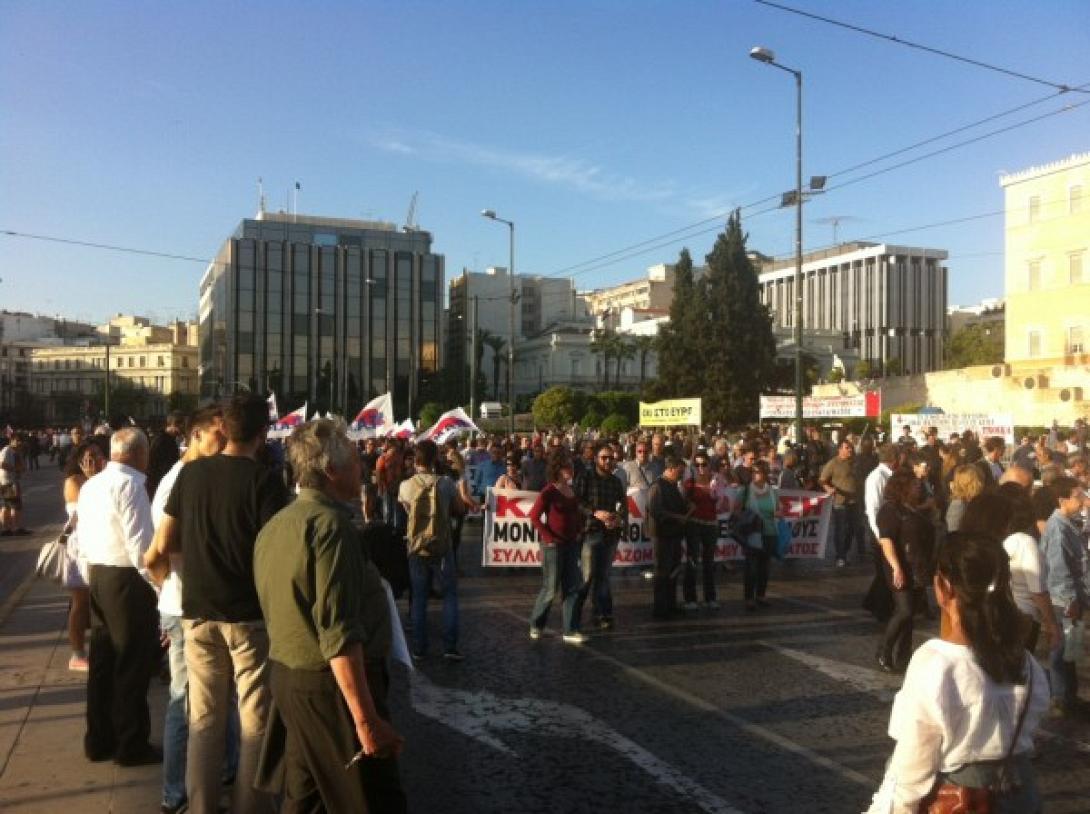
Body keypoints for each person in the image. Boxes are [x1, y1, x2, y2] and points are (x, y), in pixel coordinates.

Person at [254, 420, 406, 812]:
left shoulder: (276, 525)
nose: (363, 469)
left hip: (289, 678)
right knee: (372, 800)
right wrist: (366, 719)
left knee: (305, 800)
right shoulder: (331, 528)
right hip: (330, 689)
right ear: (331, 471)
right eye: (356, 462)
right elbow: (338, 633)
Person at [151, 393, 288, 814]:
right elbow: (276, 553)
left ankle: (201, 807)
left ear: (223, 429)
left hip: (197, 612)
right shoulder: (265, 482)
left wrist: (167, 593)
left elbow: (163, 544)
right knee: (254, 718)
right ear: (263, 435)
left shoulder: (190, 477)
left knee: (204, 720)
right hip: (248, 614)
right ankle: (251, 806)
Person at [865, 534, 1049, 814]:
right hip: (1022, 795)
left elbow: (912, 768)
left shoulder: (937, 663)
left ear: (944, 586)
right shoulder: (1026, 662)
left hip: (962, 800)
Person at [144, 406, 232, 814]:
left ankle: (224, 771)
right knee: (182, 702)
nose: (224, 441)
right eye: (217, 434)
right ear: (196, 436)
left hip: (195, 602)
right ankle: (174, 793)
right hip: (183, 605)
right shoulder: (178, 480)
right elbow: (160, 548)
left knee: (213, 698)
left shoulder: (201, 475)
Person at [76, 428, 160, 765]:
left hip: (99, 574)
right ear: (141, 454)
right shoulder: (132, 485)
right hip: (126, 581)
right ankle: (131, 743)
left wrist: (89, 578)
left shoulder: (91, 484)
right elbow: (140, 547)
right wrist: (158, 587)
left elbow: (81, 536)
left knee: (102, 663)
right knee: (131, 664)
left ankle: (98, 739)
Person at [399, 439, 465, 661]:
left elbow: (407, 510)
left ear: (415, 459)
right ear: (435, 458)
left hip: (417, 547)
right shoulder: (445, 483)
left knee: (419, 598)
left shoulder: (406, 486)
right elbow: (459, 509)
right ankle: (450, 647)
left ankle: (419, 648)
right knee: (450, 596)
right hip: (442, 545)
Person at [1039, 476, 1090, 718]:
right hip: (1063, 599)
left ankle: (1069, 695)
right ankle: (1059, 697)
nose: (1083, 500)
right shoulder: (1058, 527)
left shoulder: (1068, 522)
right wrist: (1071, 600)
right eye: (1078, 496)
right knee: (1061, 648)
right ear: (1062, 500)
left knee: (1070, 648)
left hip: (1071, 597)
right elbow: (1059, 569)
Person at [875, 469, 933, 673]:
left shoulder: (913, 508)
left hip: (916, 566)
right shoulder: (890, 510)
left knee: (910, 615)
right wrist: (896, 567)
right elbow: (886, 540)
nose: (919, 489)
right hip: (899, 565)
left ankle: (904, 655)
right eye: (915, 485)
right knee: (904, 610)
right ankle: (884, 650)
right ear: (903, 487)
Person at [528, 449, 588, 643]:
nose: (570, 469)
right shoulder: (549, 491)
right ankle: (537, 624)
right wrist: (548, 537)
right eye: (567, 466)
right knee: (550, 588)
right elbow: (534, 517)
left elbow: (576, 513)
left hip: (571, 544)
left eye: (571, 466)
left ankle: (570, 629)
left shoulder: (572, 490)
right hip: (553, 546)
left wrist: (579, 530)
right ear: (558, 469)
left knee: (572, 587)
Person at [994, 484, 1060, 653]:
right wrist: (1052, 624)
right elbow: (1037, 590)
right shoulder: (1025, 542)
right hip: (1025, 616)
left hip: (1004, 613)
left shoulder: (1003, 540)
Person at [61, 441, 105, 672]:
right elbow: (88, 510)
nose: (94, 460)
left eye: (98, 454)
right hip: (79, 549)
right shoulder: (74, 482)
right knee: (80, 601)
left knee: (97, 601)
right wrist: (92, 478)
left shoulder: (100, 478)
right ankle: (77, 653)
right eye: (89, 456)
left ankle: (99, 650)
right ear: (79, 460)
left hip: (98, 546)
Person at [574, 441, 627, 629]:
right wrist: (595, 512)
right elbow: (577, 502)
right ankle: (573, 614)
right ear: (596, 458)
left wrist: (619, 518)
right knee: (587, 577)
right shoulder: (585, 477)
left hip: (610, 534)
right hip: (591, 533)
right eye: (604, 458)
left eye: (610, 458)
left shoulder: (615, 481)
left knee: (604, 576)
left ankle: (603, 613)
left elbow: (623, 506)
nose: (607, 461)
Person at [648, 455, 690, 619]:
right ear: (671, 469)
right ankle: (660, 607)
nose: (681, 476)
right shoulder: (658, 486)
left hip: (674, 534)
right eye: (679, 473)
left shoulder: (673, 486)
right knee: (662, 572)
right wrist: (676, 517)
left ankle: (671, 604)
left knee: (673, 571)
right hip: (662, 535)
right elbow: (655, 510)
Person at [862, 444, 899, 623]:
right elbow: (873, 508)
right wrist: (879, 534)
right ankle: (881, 609)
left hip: (887, 526)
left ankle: (873, 603)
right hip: (880, 529)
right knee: (884, 570)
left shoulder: (888, 476)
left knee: (885, 570)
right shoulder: (876, 478)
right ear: (893, 458)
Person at [682, 450, 721, 610]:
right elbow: (684, 501)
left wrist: (716, 492)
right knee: (692, 561)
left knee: (709, 562)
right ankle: (690, 598)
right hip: (694, 524)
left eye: (704, 464)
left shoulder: (716, 481)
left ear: (709, 465)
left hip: (711, 525)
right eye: (697, 465)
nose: (700, 468)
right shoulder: (689, 483)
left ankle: (710, 597)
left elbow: (722, 504)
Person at [739, 460, 778, 611]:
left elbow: (778, 509)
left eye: (759, 472)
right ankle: (749, 597)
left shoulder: (772, 491)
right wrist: (749, 517)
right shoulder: (746, 491)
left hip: (769, 531)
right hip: (752, 533)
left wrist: (778, 514)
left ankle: (761, 595)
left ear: (765, 474)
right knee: (751, 566)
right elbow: (736, 510)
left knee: (765, 566)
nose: (756, 475)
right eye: (753, 472)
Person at [820, 439, 858, 568]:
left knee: (851, 529)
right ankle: (840, 556)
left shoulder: (854, 462)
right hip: (840, 502)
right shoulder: (833, 463)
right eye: (847, 448)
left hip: (854, 501)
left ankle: (845, 552)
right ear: (840, 449)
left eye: (851, 448)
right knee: (841, 529)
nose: (850, 450)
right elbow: (822, 480)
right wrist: (828, 489)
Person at [146, 411, 184, 497]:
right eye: (181, 425)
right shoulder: (160, 440)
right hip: (159, 484)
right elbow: (153, 464)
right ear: (174, 424)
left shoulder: (170, 439)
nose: (183, 428)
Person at [0, 434, 29, 536]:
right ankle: (16, 528)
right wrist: (15, 469)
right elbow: (1, 464)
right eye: (17, 440)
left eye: (20, 441)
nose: (19, 443)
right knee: (15, 505)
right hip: (8, 481)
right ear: (11, 441)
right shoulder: (6, 450)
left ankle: (6, 529)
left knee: (6, 506)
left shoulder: (15, 451)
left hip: (8, 481)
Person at [946, 464, 985, 534]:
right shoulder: (959, 505)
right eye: (979, 481)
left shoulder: (971, 502)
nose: (981, 484)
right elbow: (952, 533)